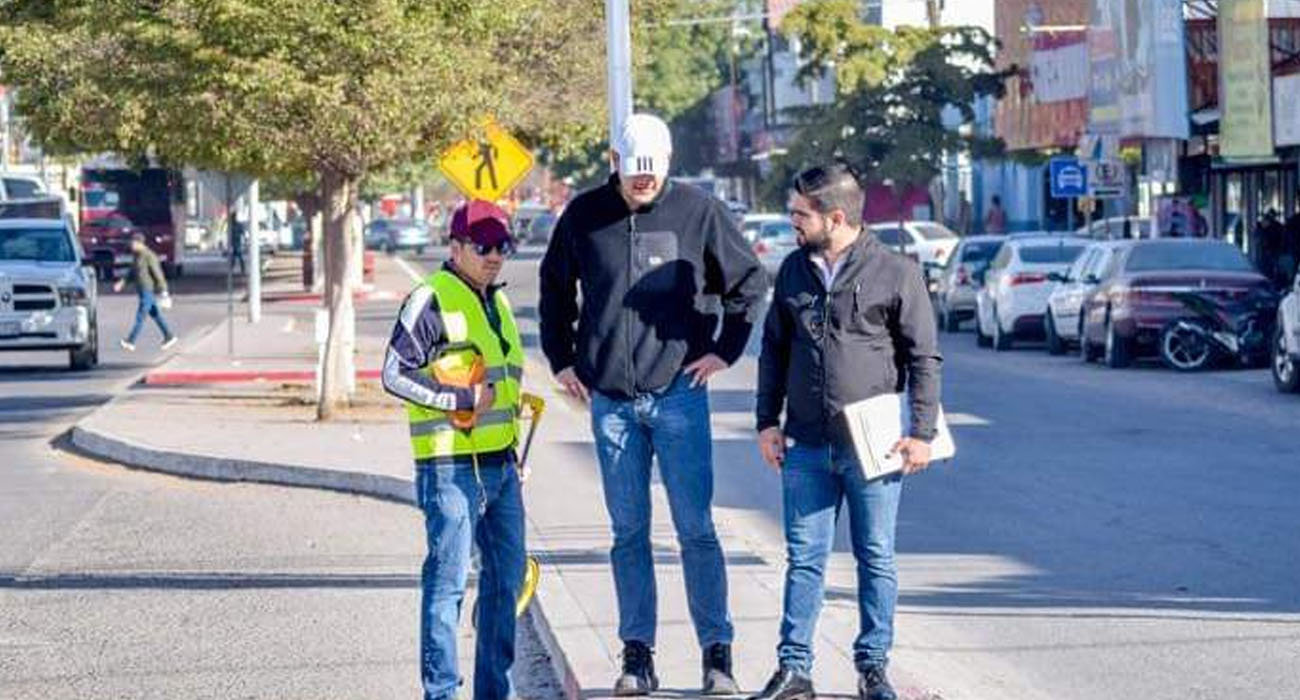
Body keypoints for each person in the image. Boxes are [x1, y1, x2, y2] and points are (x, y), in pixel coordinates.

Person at [538, 113, 767, 696]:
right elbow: (554, 288)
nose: (643, 185)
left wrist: (723, 352)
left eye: (653, 176)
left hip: (679, 397)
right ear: (614, 161)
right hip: (610, 401)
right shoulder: (584, 217)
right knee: (628, 533)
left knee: (696, 530)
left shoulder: (699, 212)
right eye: (633, 175)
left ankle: (718, 655)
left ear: (667, 166)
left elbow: (748, 285)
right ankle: (637, 657)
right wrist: (561, 358)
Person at [750, 164, 943, 700]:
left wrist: (922, 431)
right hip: (807, 444)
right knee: (804, 558)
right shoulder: (793, 270)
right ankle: (795, 670)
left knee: (875, 555)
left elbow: (924, 357)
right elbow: (774, 350)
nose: (791, 222)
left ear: (835, 217)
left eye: (799, 214)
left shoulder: (895, 272)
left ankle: (873, 667)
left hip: (874, 446)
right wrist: (767, 421)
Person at [381, 200, 526, 700]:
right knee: (448, 589)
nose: (494, 256)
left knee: (507, 587)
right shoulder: (431, 298)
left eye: (501, 246)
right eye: (483, 246)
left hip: (502, 469)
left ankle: (494, 693)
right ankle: (441, 693)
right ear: (456, 246)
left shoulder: (498, 302)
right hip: (450, 470)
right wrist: (458, 398)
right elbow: (393, 374)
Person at [114, 232, 177, 351]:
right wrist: (122, 282)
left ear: (139, 243)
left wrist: (164, 290)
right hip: (142, 290)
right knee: (155, 315)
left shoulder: (149, 256)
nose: (131, 246)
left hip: (147, 290)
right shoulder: (137, 256)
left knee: (140, 316)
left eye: (133, 243)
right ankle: (169, 336)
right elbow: (132, 271)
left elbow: (157, 273)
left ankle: (130, 341)